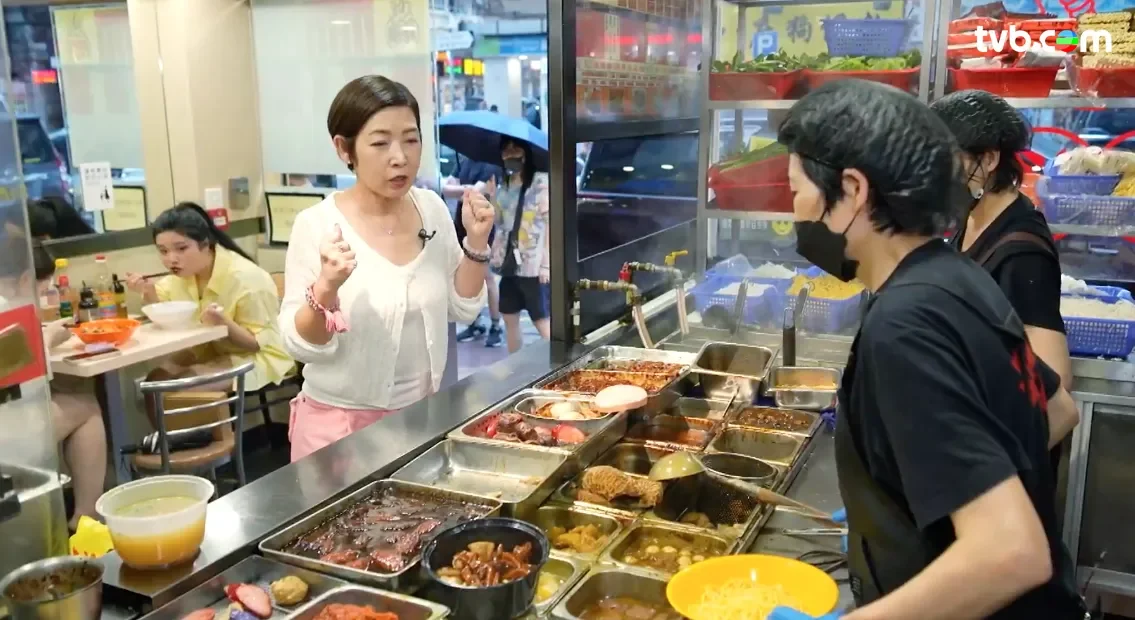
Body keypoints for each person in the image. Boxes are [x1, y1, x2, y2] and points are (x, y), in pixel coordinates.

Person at [766, 80, 1084, 620]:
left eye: (796, 189)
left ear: (852, 189)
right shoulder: (955, 272)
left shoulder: (905, 324)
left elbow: (1011, 553)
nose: (793, 209)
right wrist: (905, 504)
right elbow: (1054, 408)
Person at [279, 75, 491, 462]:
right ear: (345, 149)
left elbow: (461, 308)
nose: (400, 157)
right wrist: (326, 287)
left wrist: (475, 242)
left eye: (411, 139)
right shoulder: (316, 226)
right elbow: (301, 345)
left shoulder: (431, 208)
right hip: (337, 437)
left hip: (420, 423)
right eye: (380, 143)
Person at [931, 91, 1071, 389]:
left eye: (947, 160)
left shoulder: (1022, 251)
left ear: (990, 159)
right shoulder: (972, 215)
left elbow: (1054, 378)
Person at [125, 203, 293, 392]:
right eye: (163, 251)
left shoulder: (245, 278)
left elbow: (256, 344)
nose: (171, 259)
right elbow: (165, 304)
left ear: (205, 244)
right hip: (213, 349)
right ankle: (170, 423)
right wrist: (147, 291)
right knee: (154, 382)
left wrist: (224, 324)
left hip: (261, 356)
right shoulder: (183, 275)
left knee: (180, 387)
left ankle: (216, 422)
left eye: (181, 248)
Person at [0, 239, 108, 531]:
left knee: (69, 399)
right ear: (24, 279)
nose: (42, 297)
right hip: (7, 434)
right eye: (42, 290)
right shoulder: (6, 310)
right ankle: (86, 519)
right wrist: (47, 337)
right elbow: (28, 377)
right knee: (86, 407)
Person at [490, 136, 550, 353]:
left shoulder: (540, 182)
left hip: (533, 264)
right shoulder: (504, 184)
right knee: (508, 315)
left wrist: (546, 265)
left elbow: (550, 224)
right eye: (506, 152)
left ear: (526, 154)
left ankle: (558, 365)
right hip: (508, 262)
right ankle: (516, 366)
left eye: (516, 151)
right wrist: (492, 196)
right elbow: (498, 222)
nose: (511, 156)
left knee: (541, 319)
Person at [444, 154, 504, 346]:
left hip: (481, 223)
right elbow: (447, 188)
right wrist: (465, 189)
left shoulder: (491, 162)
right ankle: (475, 323)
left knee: (485, 275)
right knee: (465, 271)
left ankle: (496, 325)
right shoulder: (462, 161)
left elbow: (475, 192)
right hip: (461, 222)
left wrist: (463, 190)